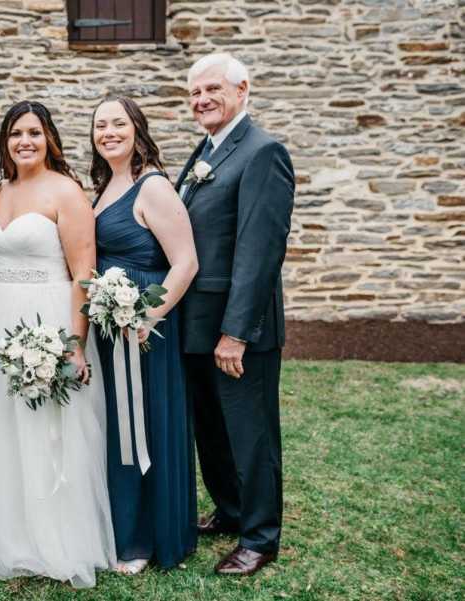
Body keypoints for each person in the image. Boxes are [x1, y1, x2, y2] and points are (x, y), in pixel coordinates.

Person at [0, 100, 116, 588]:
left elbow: (84, 271)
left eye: (34, 133)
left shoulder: (66, 192)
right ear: (4, 142)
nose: (24, 142)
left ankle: (57, 535)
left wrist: (75, 344)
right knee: (3, 422)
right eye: (15, 134)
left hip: (47, 315)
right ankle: (10, 526)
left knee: (49, 428)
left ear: (49, 139)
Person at [176, 52, 295, 576]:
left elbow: (259, 250)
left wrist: (236, 333)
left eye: (212, 89)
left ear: (243, 88)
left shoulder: (263, 152)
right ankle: (230, 510)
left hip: (237, 328)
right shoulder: (205, 150)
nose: (202, 100)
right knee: (213, 430)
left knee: (251, 433)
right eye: (195, 93)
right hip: (196, 323)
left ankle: (261, 536)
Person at [90, 97, 199, 575]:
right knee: (117, 427)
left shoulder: (151, 186)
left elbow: (186, 263)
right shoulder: (104, 185)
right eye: (100, 125)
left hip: (144, 333)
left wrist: (146, 317)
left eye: (118, 123)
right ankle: (122, 526)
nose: (109, 132)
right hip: (110, 327)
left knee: (144, 426)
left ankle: (146, 539)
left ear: (137, 129)